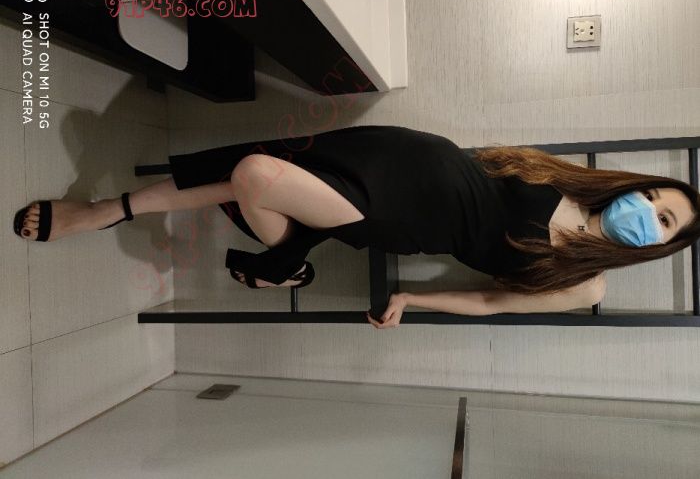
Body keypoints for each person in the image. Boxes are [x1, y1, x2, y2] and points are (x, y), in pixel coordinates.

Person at [13, 125, 700, 329]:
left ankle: (284, 258)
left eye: (663, 221)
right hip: (407, 154)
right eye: (652, 196)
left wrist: (411, 297)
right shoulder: (569, 178)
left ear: (663, 245)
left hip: (401, 217)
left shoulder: (585, 284)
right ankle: (106, 211)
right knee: (256, 170)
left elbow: (492, 299)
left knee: (254, 173)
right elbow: (485, 167)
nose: (647, 211)